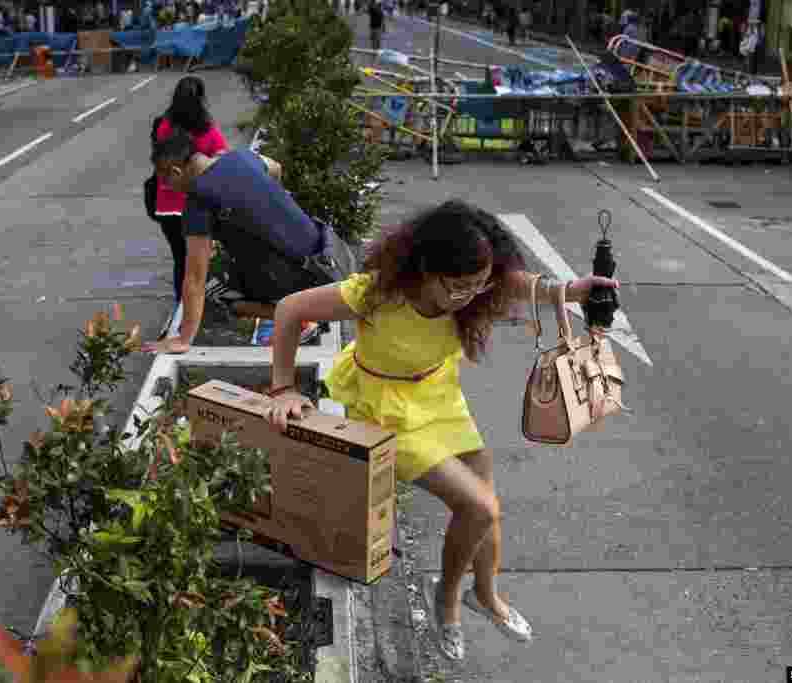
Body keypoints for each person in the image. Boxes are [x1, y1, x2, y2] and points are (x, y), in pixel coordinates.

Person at [264, 201, 620, 660]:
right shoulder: (378, 292)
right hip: (383, 408)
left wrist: (574, 291)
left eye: (480, 284)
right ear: (426, 269)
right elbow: (290, 309)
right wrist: (282, 389)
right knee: (479, 507)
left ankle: (485, 595)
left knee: (484, 500)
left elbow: (527, 286)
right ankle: (447, 602)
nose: (470, 296)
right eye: (457, 286)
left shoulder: (479, 282)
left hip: (438, 396)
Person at [142, 130, 355, 354]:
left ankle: (302, 316)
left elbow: (195, 277)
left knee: (213, 288)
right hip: (326, 259)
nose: (169, 189)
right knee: (233, 260)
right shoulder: (243, 156)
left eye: (166, 183)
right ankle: (298, 308)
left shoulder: (199, 201)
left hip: (300, 281)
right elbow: (276, 168)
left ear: (176, 172)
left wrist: (183, 339)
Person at [151, 76, 228, 337]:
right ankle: (200, 310)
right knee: (200, 262)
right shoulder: (208, 129)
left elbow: (158, 159)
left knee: (180, 260)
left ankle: (180, 310)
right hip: (198, 204)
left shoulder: (165, 127)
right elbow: (221, 158)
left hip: (167, 205)